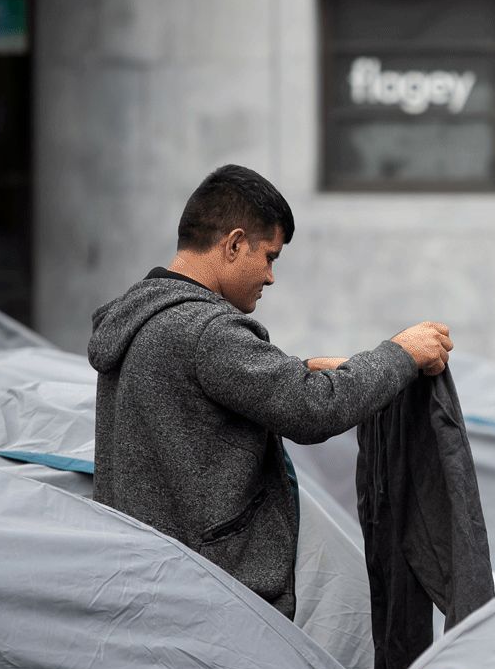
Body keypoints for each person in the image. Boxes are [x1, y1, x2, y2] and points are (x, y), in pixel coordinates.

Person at [88, 164, 453, 619]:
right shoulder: (206, 331)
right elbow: (313, 410)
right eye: (270, 257)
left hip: (149, 589)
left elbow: (206, 394)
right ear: (236, 243)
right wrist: (401, 353)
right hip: (213, 603)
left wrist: (305, 369)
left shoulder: (144, 319)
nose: (271, 277)